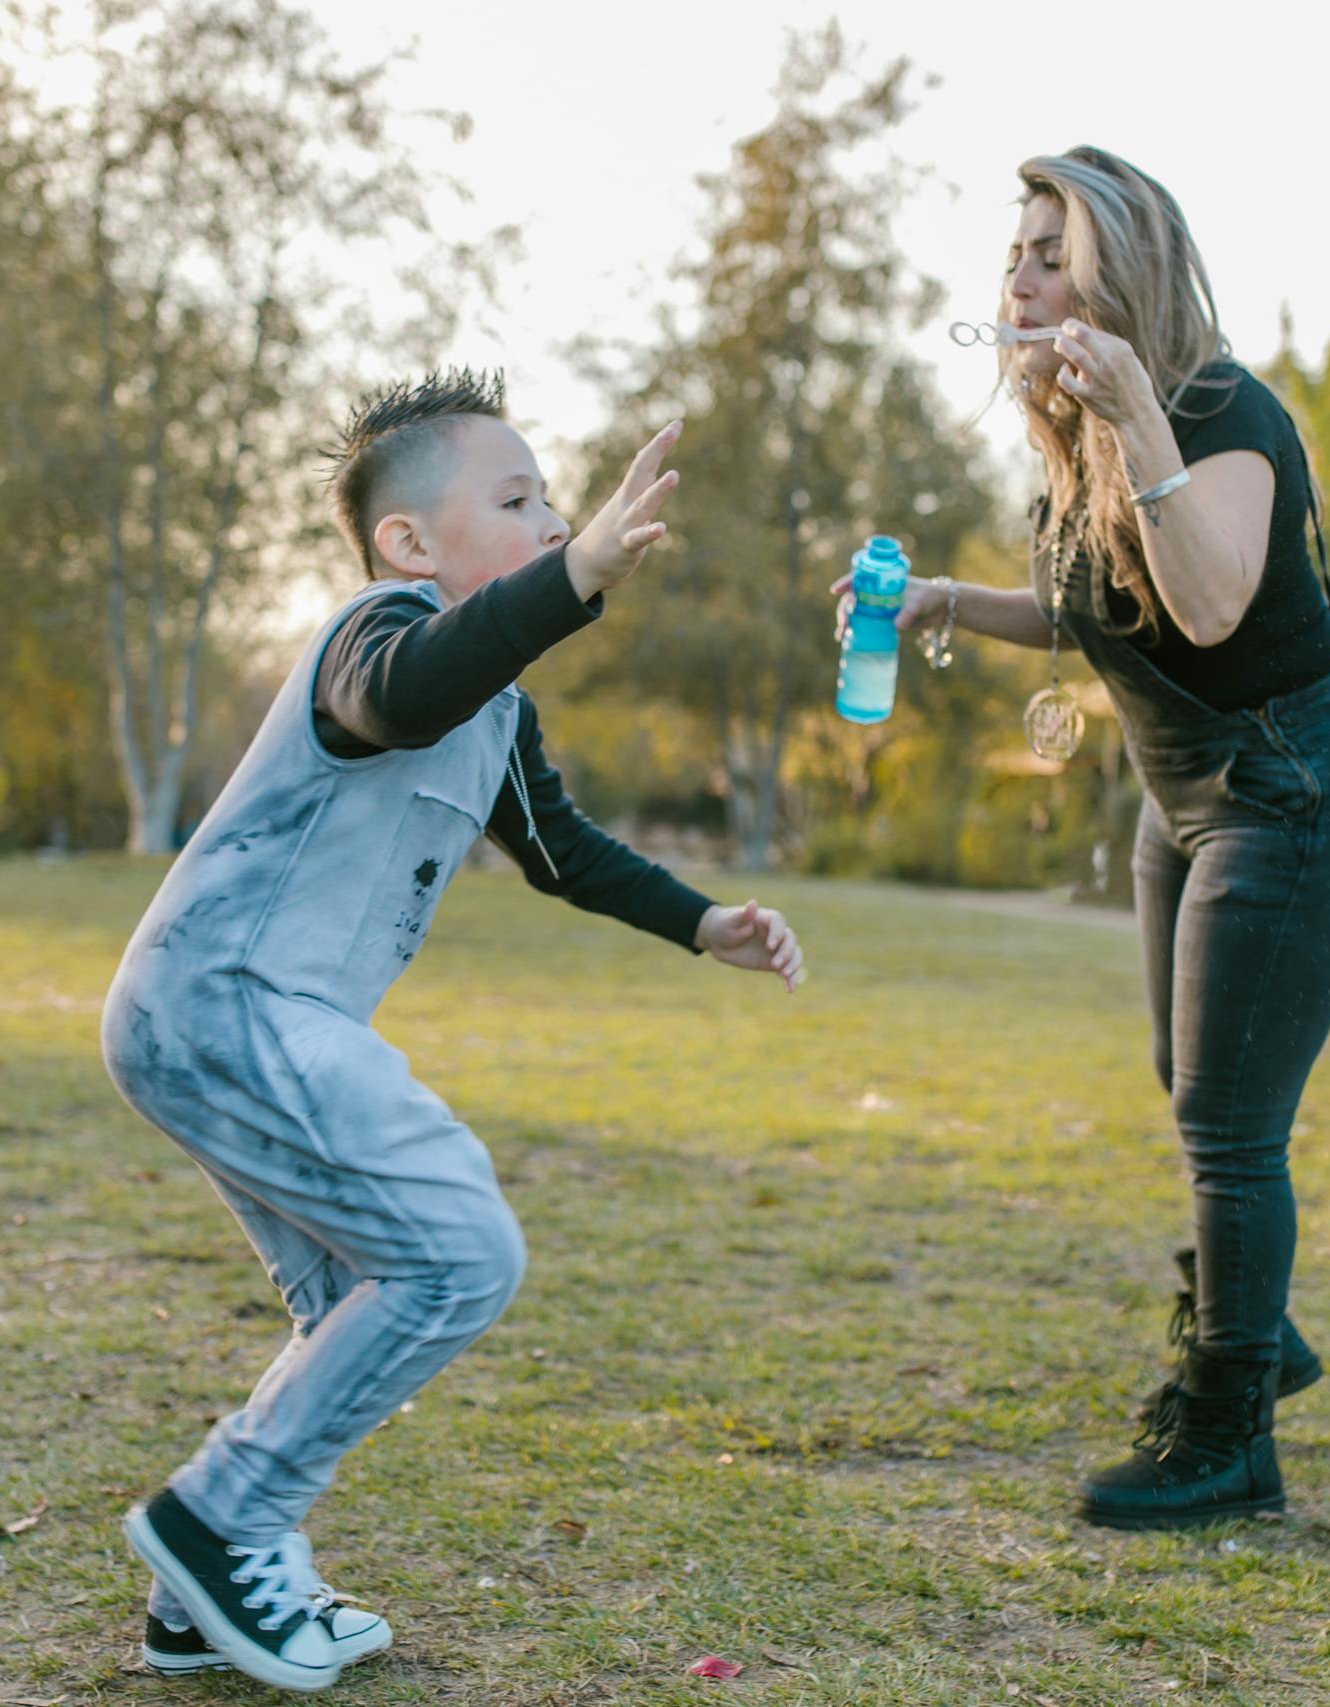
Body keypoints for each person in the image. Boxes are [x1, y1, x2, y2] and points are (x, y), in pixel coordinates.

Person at [102, 369, 805, 1690]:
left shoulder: (496, 709)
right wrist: (581, 575)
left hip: (220, 1020)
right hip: (226, 999)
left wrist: (703, 920)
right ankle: (216, 1517)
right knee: (462, 1250)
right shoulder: (377, 638)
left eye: (554, 503)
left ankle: (194, 1596)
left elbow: (561, 850)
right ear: (408, 544)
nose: (551, 521)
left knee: (351, 1295)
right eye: (520, 499)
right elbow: (408, 692)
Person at [843, 147, 1330, 1529]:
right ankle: (1254, 1324)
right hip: (1189, 802)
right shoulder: (1076, 430)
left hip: (1297, 792)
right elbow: (1093, 601)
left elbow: (1209, 604)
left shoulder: (1219, 409)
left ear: (1124, 272)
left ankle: (1229, 1435)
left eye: (1054, 251)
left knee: (1229, 1126)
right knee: (1190, 1079)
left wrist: (1139, 418)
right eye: (1016, 252)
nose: (1020, 277)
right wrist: (946, 600)